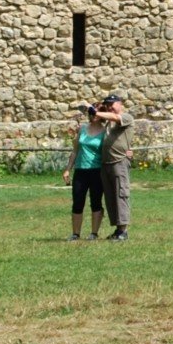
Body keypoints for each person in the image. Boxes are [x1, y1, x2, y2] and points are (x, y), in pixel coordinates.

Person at [65, 105, 113, 239]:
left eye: (96, 113)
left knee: (96, 202)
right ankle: (75, 234)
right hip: (80, 170)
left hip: (97, 171)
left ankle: (94, 233)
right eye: (91, 113)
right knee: (77, 202)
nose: (93, 115)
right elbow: (75, 150)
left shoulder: (105, 132)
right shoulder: (83, 129)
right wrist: (68, 169)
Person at [93, 93, 133, 239]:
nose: (110, 107)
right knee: (111, 197)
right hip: (107, 164)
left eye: (112, 104)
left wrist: (98, 111)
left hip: (119, 162)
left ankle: (123, 231)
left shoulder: (126, 117)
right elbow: (94, 119)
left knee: (121, 195)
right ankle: (118, 229)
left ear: (120, 103)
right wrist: (97, 109)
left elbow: (116, 118)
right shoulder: (107, 122)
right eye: (107, 104)